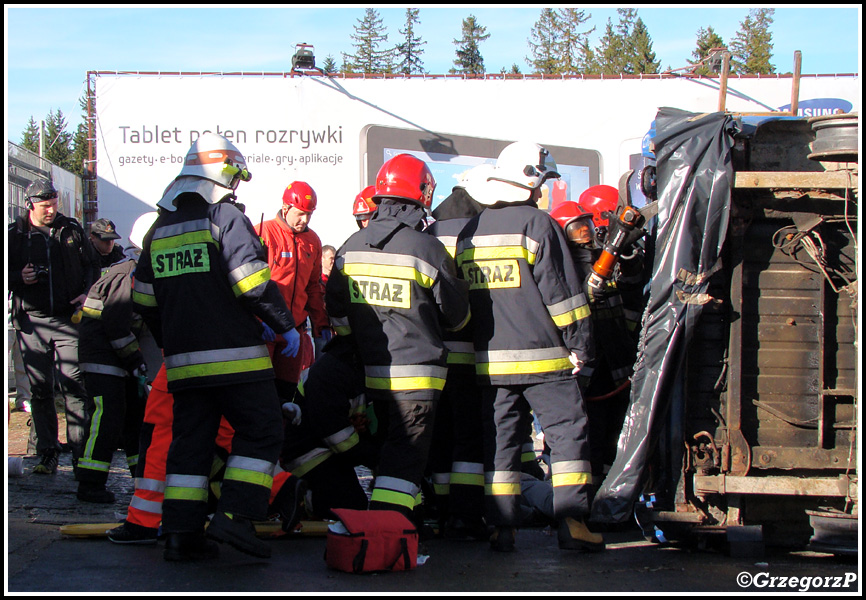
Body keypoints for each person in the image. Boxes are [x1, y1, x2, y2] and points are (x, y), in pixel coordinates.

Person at [132, 133, 300, 562]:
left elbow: (144, 299)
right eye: (237, 177)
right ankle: (237, 519)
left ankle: (181, 536)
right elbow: (252, 284)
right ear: (226, 174)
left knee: (190, 443)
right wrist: (285, 325)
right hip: (237, 359)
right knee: (263, 430)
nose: (238, 187)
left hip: (184, 365)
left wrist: (175, 341)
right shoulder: (224, 217)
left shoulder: (160, 228)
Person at [454, 141, 604, 553]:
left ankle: (502, 528)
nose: (543, 192)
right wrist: (582, 346)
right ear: (531, 181)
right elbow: (564, 297)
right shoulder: (538, 225)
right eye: (542, 183)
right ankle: (573, 523)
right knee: (568, 435)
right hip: (545, 362)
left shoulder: (471, 230)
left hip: (490, 365)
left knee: (501, 445)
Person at [325, 154, 471, 520]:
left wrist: (361, 344)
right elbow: (457, 318)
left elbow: (338, 315)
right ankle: (387, 531)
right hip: (419, 379)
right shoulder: (427, 248)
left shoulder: (350, 246)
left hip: (374, 376)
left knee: (392, 449)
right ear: (422, 194)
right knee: (405, 460)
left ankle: (397, 524)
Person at [107, 363, 307, 545]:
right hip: (223, 358)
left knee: (163, 438)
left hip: (186, 360)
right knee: (228, 434)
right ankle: (281, 487)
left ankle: (146, 523)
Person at [8, 178, 99, 475]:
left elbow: (92, 265)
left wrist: (88, 292)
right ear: (30, 204)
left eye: (54, 203)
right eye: (45, 205)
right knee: (40, 388)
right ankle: (47, 452)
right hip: (31, 321)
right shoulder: (16, 235)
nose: (50, 210)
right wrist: (19, 277)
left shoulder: (70, 230)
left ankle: (78, 453)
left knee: (74, 384)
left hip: (67, 318)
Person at [424, 164, 493, 540]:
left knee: (440, 433)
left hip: (433, 354)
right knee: (469, 435)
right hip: (472, 351)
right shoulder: (480, 232)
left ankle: (440, 509)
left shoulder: (430, 233)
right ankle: (466, 516)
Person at [75, 213, 158, 503]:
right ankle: (90, 483)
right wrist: (135, 362)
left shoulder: (139, 271)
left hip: (118, 360)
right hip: (103, 358)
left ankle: (143, 478)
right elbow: (116, 326)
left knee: (135, 417)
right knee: (106, 418)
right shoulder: (128, 274)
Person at [254, 181, 331, 400]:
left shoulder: (313, 241)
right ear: (286, 208)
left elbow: (314, 288)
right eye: (300, 214)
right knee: (261, 396)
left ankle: (285, 433)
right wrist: (257, 321)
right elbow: (247, 284)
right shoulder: (263, 232)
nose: (304, 220)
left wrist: (321, 325)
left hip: (294, 335)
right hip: (265, 331)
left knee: (287, 395)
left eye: (309, 214)